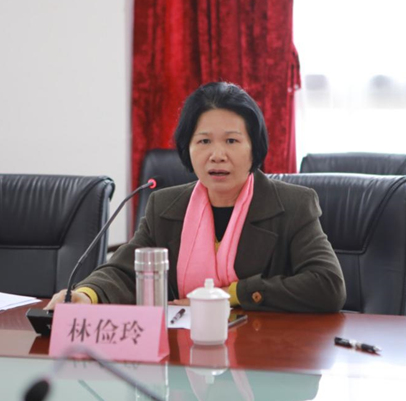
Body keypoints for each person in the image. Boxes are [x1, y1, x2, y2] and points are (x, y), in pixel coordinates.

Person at [46, 81, 345, 313]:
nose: (217, 155)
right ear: (187, 149)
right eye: (203, 141)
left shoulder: (292, 205)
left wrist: (231, 295)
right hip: (183, 352)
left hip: (266, 354)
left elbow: (328, 285)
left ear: (254, 148)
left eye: (231, 140)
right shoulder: (166, 206)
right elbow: (125, 271)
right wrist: (87, 294)